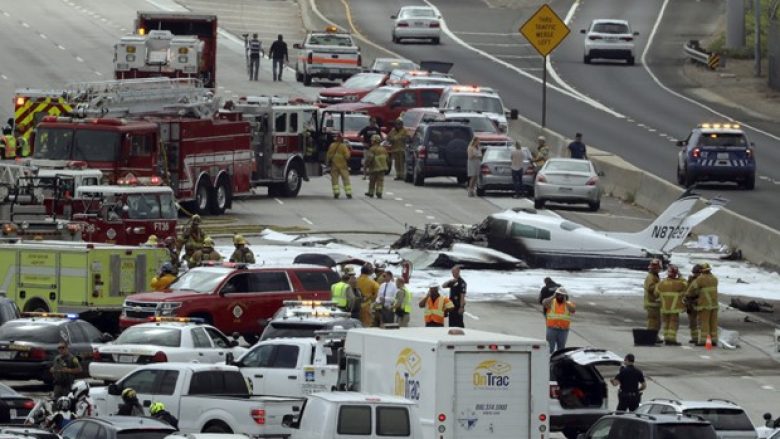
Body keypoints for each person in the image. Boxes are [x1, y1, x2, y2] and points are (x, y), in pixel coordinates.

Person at [686, 262, 719, 346]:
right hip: (714, 305)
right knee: (713, 323)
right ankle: (714, 340)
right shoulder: (715, 279)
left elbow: (691, 290)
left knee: (704, 323)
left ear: (702, 271)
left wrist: (688, 296)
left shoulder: (700, 279)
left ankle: (704, 340)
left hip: (704, 305)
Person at [656, 264, 687, 346]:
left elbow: (656, 292)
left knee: (666, 323)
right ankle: (671, 339)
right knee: (673, 324)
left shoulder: (662, 283)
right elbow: (686, 286)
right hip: (674, 308)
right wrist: (681, 276)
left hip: (664, 307)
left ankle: (666, 338)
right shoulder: (679, 283)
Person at [542, 288, 576, 354]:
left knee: (561, 350)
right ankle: (548, 361)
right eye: (558, 295)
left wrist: (565, 302)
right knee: (549, 348)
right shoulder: (551, 302)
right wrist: (553, 296)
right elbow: (544, 303)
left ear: (565, 296)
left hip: (563, 330)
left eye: (562, 295)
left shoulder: (568, 303)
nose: (560, 296)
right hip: (552, 329)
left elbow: (573, 310)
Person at [326, 132, 352, 199]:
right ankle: (348, 193)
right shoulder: (344, 146)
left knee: (334, 179)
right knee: (346, 179)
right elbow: (347, 156)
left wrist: (327, 163)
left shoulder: (332, 145)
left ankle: (336, 193)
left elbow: (328, 155)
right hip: (343, 165)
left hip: (334, 165)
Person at [684, 264, 702, 344]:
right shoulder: (691, 280)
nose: (695, 274)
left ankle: (701, 338)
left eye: (697, 273)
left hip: (699, 303)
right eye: (694, 273)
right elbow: (687, 290)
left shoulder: (702, 281)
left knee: (700, 322)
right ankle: (694, 338)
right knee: (692, 322)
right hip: (691, 303)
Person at [644, 259, 662, 335]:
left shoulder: (654, 276)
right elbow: (650, 288)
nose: (659, 270)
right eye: (658, 268)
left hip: (654, 303)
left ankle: (654, 336)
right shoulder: (651, 277)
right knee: (653, 322)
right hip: (652, 303)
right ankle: (651, 336)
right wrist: (660, 286)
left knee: (656, 322)